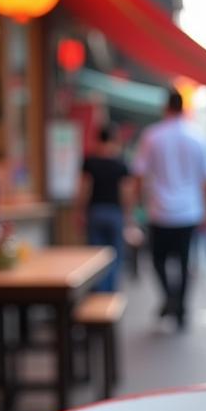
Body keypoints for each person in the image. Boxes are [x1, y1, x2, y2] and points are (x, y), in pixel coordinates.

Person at [132, 88, 206, 329]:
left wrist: (139, 204)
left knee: (158, 260)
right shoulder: (198, 137)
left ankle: (170, 297)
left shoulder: (152, 136)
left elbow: (139, 174)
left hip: (159, 211)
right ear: (183, 108)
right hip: (190, 212)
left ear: (165, 108)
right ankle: (181, 308)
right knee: (186, 263)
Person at [77, 124, 132, 292]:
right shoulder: (120, 163)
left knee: (95, 256)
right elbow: (126, 193)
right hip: (115, 213)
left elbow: (84, 189)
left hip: (95, 212)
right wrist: (128, 216)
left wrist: (80, 211)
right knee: (115, 256)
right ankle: (110, 293)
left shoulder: (90, 161)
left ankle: (99, 293)